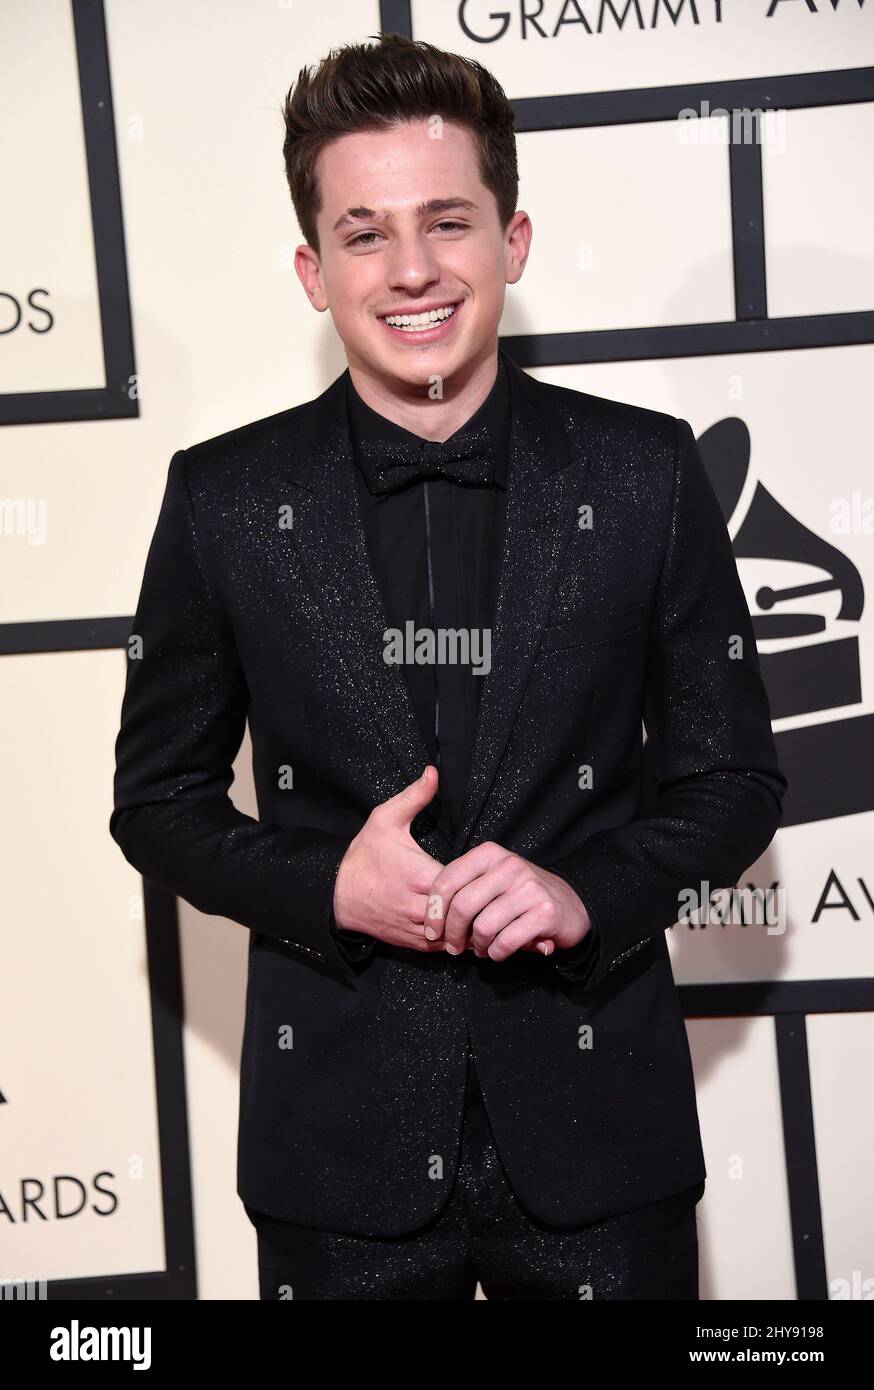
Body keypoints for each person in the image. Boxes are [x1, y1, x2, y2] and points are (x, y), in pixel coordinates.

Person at [110, 33, 786, 1300]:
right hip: (338, 1161)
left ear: (511, 242)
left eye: (447, 222)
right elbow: (156, 805)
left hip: (603, 1140)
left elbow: (734, 776)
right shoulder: (224, 501)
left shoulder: (646, 473)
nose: (412, 270)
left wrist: (585, 891)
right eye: (365, 234)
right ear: (314, 270)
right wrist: (329, 887)